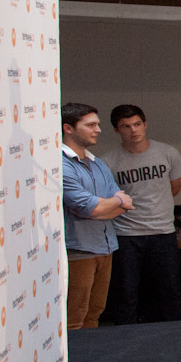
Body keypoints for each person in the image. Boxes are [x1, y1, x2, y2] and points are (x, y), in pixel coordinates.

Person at [100, 103, 181, 324]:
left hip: (162, 231)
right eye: (126, 126)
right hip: (126, 234)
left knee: (170, 289)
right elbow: (108, 199)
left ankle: (176, 334)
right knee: (126, 292)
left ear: (145, 124)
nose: (133, 130)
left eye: (137, 124)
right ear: (116, 130)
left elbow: (174, 188)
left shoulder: (168, 153)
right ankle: (126, 338)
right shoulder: (108, 161)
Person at [61, 103, 132, 330]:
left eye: (98, 124)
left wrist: (109, 204)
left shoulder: (97, 163)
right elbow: (87, 207)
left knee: (95, 313)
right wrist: (109, 203)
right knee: (75, 316)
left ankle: (89, 361)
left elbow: (124, 204)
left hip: (106, 247)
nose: (98, 130)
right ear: (68, 128)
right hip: (78, 250)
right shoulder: (61, 164)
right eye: (90, 125)